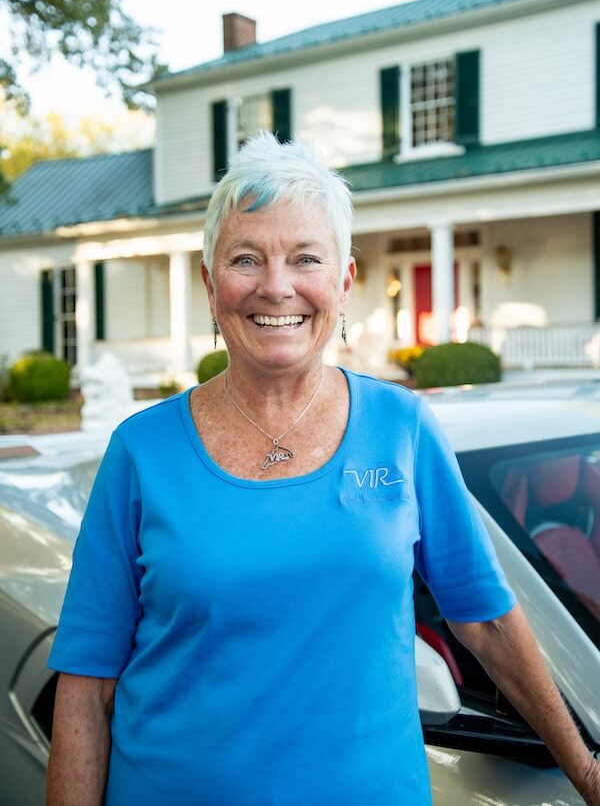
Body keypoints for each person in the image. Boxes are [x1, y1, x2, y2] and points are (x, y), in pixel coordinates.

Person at [47, 132, 600, 806]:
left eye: (305, 258)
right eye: (246, 258)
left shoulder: (403, 429)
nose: (276, 286)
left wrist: (589, 773)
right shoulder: (141, 450)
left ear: (343, 281)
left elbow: (483, 621)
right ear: (209, 282)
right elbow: (88, 680)